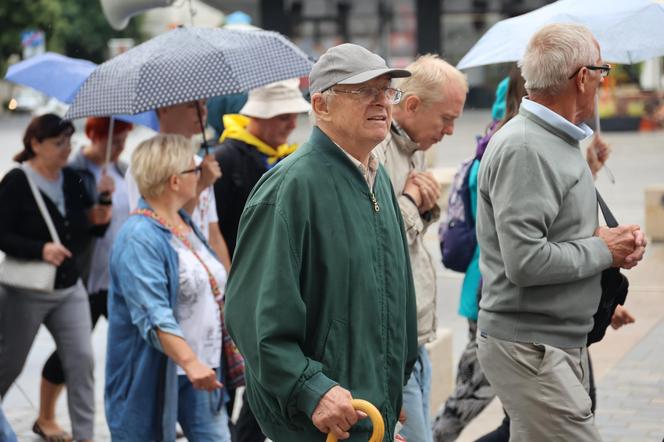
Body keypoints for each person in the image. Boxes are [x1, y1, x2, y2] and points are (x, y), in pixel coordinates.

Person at [224, 43, 418, 441]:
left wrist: (390, 392)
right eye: (364, 91)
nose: (382, 101)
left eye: (386, 90)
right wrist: (312, 391)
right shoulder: (288, 189)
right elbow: (253, 319)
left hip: (370, 419)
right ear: (321, 105)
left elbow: (398, 300)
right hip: (320, 426)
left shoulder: (376, 177)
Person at [475, 23, 646, 440]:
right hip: (532, 346)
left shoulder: (554, 139)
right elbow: (526, 261)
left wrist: (610, 247)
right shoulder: (525, 147)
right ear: (582, 77)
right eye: (601, 71)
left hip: (550, 342)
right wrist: (604, 250)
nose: (604, 81)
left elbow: (557, 231)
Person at [105, 133, 231, 441]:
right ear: (175, 181)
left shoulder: (182, 223)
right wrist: (189, 361)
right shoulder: (139, 236)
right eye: (194, 169)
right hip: (156, 375)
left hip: (202, 368)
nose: (199, 174)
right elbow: (152, 311)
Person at [373, 53, 468, 442]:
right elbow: (376, 240)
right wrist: (413, 202)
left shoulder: (414, 145)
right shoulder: (376, 149)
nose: (449, 130)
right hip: (393, 345)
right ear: (411, 105)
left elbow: (410, 228)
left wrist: (423, 206)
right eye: (446, 118)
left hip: (417, 338)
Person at [0, 114, 111, 442]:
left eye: (69, 142)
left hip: (69, 287)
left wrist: (103, 200)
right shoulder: (17, 181)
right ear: (35, 144)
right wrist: (40, 249)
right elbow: (2, 234)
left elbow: (93, 229)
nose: (66, 149)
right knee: (9, 365)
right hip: (27, 289)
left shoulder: (73, 178)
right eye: (58, 143)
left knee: (82, 362)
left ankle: (85, 436)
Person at [34, 116, 133, 441]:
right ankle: (45, 416)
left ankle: (138, 418)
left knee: (132, 349)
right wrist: (97, 207)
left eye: (122, 140)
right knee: (72, 353)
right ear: (93, 135)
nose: (118, 147)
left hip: (118, 276)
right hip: (86, 278)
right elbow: (73, 222)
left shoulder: (122, 170)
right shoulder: (72, 171)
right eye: (113, 140)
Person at [125, 99, 231, 271]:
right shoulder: (145, 167)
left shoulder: (199, 163)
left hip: (206, 276)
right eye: (192, 105)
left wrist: (229, 288)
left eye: (204, 104)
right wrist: (200, 185)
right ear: (164, 108)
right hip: (172, 272)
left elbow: (213, 233)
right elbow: (154, 228)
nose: (202, 112)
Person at [214, 78, 310, 256]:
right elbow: (214, 232)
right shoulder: (225, 159)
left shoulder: (288, 157)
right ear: (257, 115)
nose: (293, 125)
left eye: (295, 116)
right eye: (284, 117)